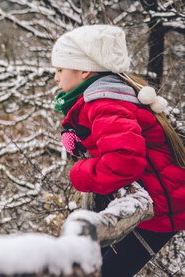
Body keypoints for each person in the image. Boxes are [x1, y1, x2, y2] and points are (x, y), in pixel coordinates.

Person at [50, 24, 185, 276]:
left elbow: (124, 162)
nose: (56, 77)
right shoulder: (110, 95)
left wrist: (80, 172)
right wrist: (80, 138)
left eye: (59, 69)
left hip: (159, 211)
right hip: (163, 203)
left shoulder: (105, 103)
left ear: (84, 70)